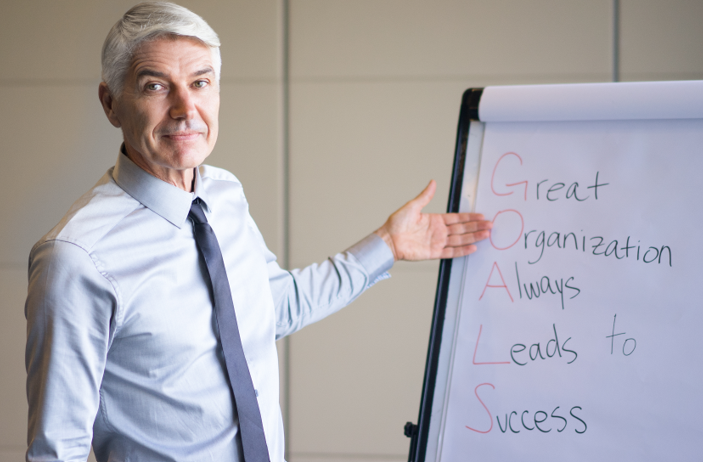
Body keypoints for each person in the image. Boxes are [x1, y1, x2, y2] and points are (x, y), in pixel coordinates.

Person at [24, 3, 492, 461]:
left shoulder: (223, 196)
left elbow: (269, 309)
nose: (186, 108)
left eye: (201, 83)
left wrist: (387, 245)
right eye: (155, 86)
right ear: (111, 104)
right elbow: (56, 449)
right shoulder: (77, 258)